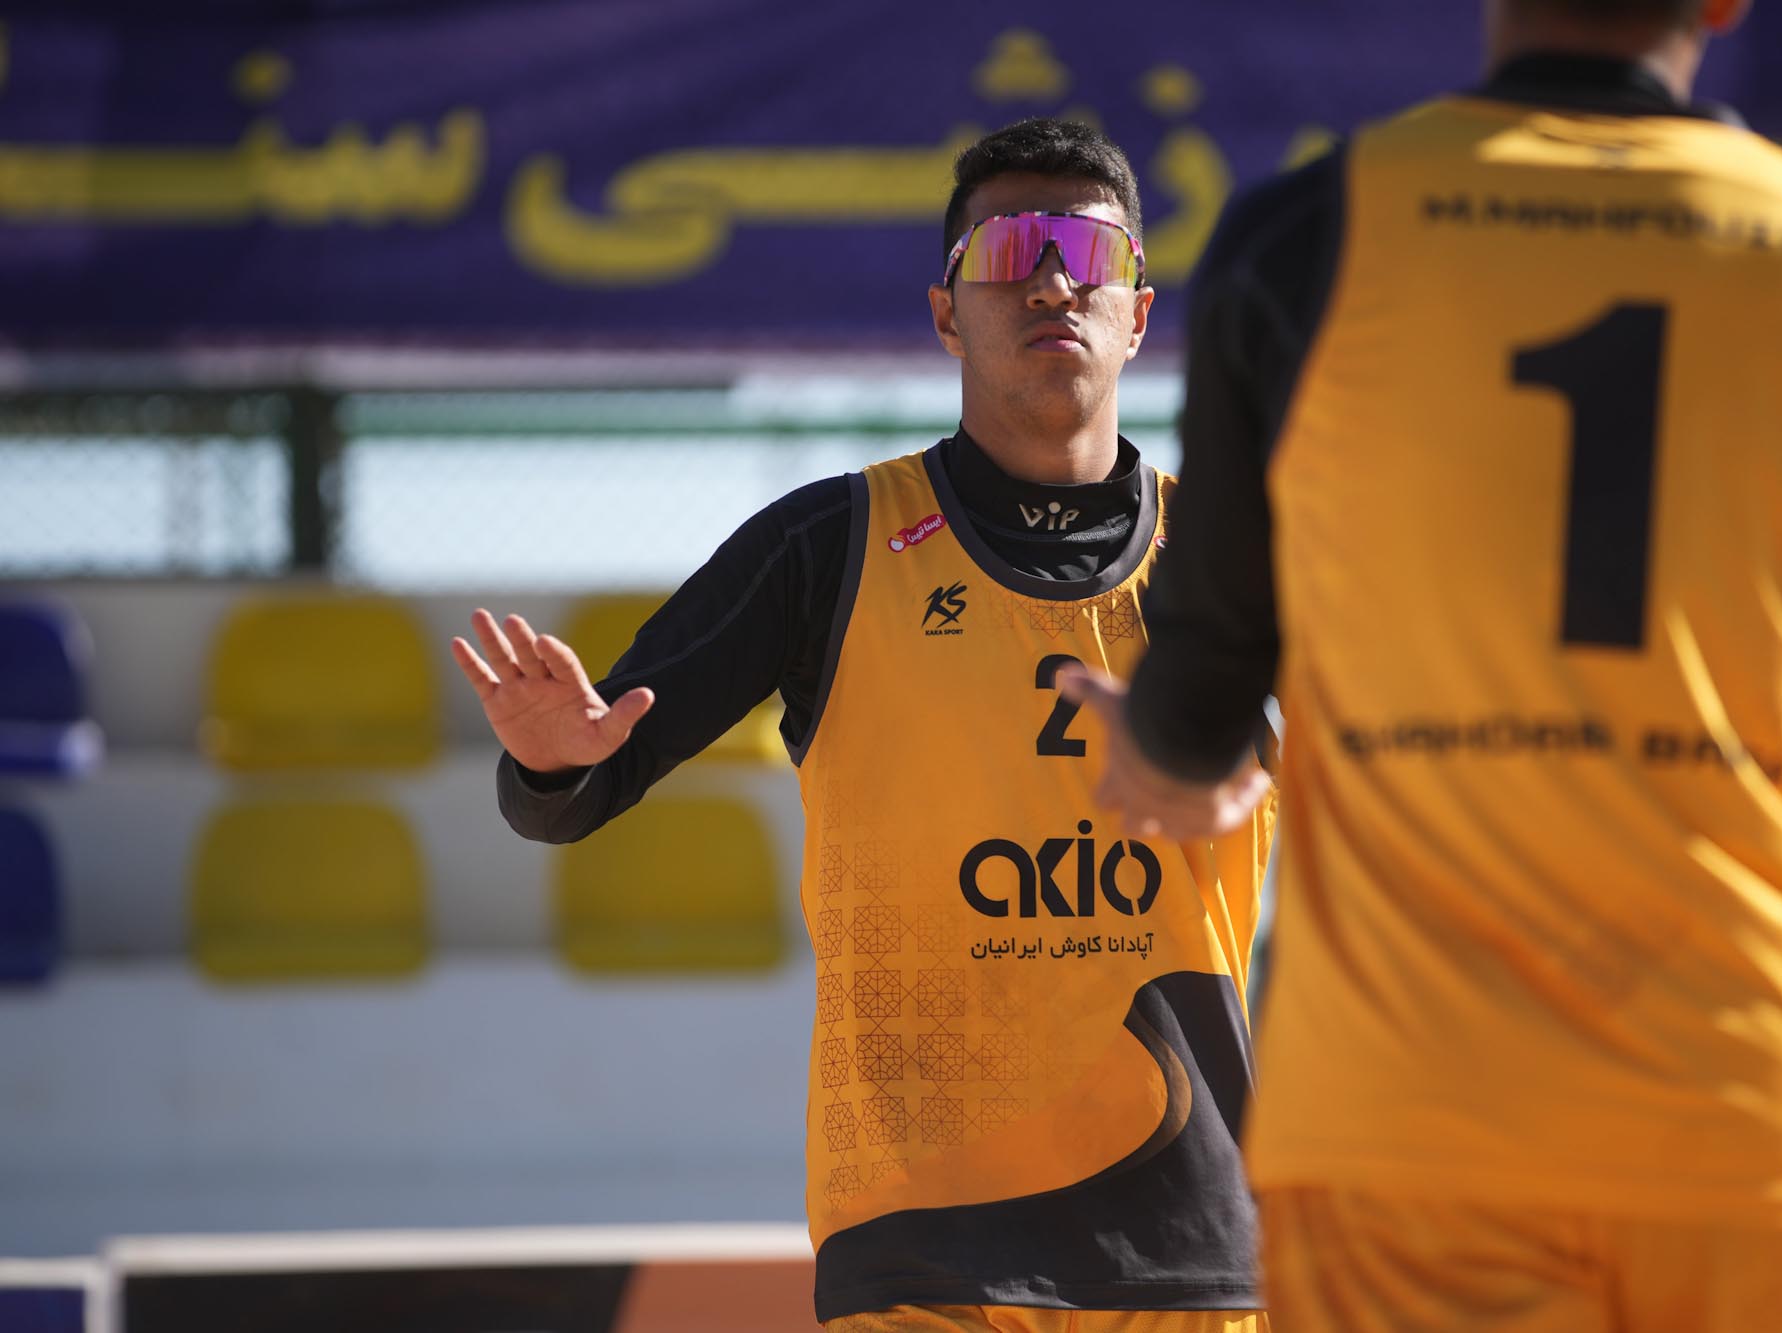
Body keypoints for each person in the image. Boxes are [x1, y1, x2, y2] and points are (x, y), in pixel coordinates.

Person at [1058, 2, 1782, 1328]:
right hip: (1755, 1119)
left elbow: (1199, 703)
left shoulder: (1307, 238)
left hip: (1412, 1133)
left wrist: (1161, 758)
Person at [450, 118, 1275, 1333]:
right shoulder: (827, 542)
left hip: (1186, 1241)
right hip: (919, 1242)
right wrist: (549, 758)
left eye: (1087, 254)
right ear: (946, 312)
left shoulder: (1233, 555)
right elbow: (587, 773)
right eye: (1010, 250)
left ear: (1138, 312)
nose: (1051, 282)